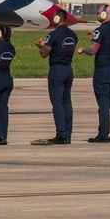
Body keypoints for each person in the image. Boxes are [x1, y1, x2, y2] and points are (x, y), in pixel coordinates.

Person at [77, 5, 110, 143]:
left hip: (103, 70)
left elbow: (93, 51)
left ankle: (103, 133)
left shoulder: (100, 30)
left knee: (103, 102)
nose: (97, 15)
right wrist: (96, 38)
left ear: (104, 14)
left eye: (98, 13)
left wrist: (83, 49)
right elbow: (108, 44)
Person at [33, 8, 77, 145]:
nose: (52, 19)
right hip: (68, 69)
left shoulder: (53, 35)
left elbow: (44, 53)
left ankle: (61, 134)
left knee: (57, 102)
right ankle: (68, 133)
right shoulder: (73, 35)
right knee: (67, 102)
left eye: (53, 17)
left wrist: (42, 46)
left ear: (58, 19)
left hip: (57, 70)